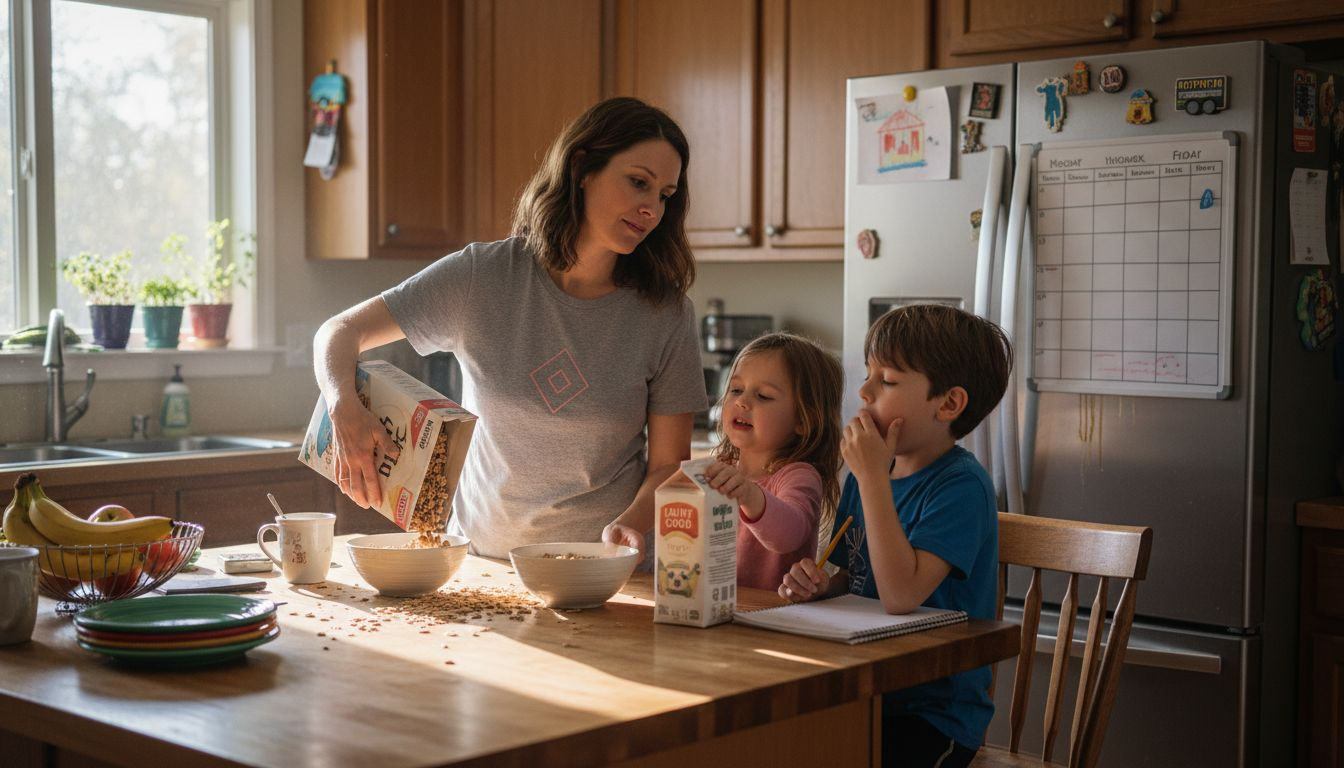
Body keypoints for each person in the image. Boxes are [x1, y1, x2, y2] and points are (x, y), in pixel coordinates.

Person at [312, 97, 707, 561]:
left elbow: (667, 467)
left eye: (664, 195)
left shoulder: (665, 313)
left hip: (605, 574)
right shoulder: (482, 276)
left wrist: (630, 524)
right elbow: (339, 331)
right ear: (582, 169)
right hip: (482, 564)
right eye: (638, 182)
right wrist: (343, 407)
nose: (651, 210)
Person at [778, 304, 1012, 768]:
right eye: (868, 374)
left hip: (931, 715)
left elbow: (901, 594)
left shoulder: (960, 486)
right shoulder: (871, 473)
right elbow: (856, 575)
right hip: (867, 691)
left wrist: (871, 481)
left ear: (948, 404)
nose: (864, 391)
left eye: (885, 381)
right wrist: (822, 584)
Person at [702, 332, 843, 591]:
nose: (742, 402)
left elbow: (788, 534)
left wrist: (749, 495)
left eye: (763, 396)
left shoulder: (798, 476)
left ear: (803, 420)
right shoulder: (720, 468)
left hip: (771, 618)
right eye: (736, 389)